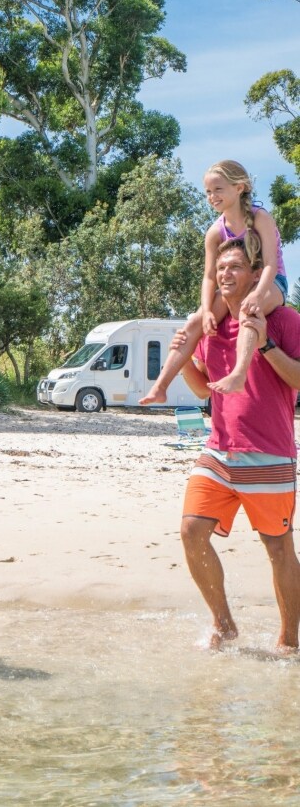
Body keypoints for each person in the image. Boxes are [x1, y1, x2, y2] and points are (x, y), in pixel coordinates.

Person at [177, 239, 300, 650]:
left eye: (235, 268)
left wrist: (265, 343)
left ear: (256, 276)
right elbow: (202, 390)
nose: (225, 274)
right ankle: (224, 624)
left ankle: (289, 642)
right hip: (218, 450)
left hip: (269, 455)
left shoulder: (283, 319)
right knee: (192, 531)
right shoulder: (210, 328)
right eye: (220, 269)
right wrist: (180, 359)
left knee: (278, 548)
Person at [139, 160, 287, 404]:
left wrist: (258, 294)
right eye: (208, 192)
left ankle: (238, 375)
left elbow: (270, 264)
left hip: (271, 282)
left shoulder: (261, 218)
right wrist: (207, 310)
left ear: (239, 188)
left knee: (248, 310)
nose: (212, 196)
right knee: (195, 321)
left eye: (218, 189)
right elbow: (209, 276)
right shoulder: (215, 232)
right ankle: (160, 385)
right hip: (234, 284)